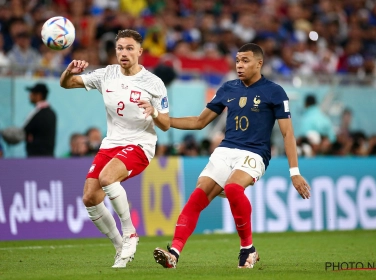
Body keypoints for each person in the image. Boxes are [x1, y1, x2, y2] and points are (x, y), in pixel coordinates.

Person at [153, 43, 311, 269]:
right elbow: (199, 122)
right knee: (198, 196)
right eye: (237, 60)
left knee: (233, 188)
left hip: (255, 153)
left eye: (245, 61)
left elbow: (288, 133)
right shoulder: (228, 88)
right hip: (226, 150)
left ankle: (248, 248)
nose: (239, 65)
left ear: (259, 63)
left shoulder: (274, 91)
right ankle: (174, 253)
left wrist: (294, 172)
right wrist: (163, 120)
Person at [59, 29, 170, 268]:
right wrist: (69, 71)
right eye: (120, 48)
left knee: (107, 178)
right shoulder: (106, 74)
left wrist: (155, 112)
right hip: (112, 143)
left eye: (130, 48)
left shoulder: (153, 83)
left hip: (140, 144)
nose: (124, 53)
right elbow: (67, 84)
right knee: (90, 197)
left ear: (140, 51)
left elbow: (166, 125)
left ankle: (130, 233)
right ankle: (120, 245)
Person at [24, 83, 57, 157]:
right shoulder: (51, 113)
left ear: (39, 95)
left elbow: (25, 131)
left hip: (36, 157)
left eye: (32, 93)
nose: (30, 95)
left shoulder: (38, 113)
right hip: (48, 155)